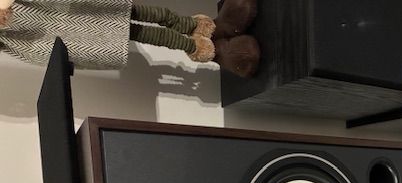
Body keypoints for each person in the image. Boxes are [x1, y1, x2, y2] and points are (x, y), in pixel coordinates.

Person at [0, 0, 260, 77]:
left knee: (118, 9)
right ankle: (210, 51)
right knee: (116, 32)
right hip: (23, 29)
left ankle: (212, 27)